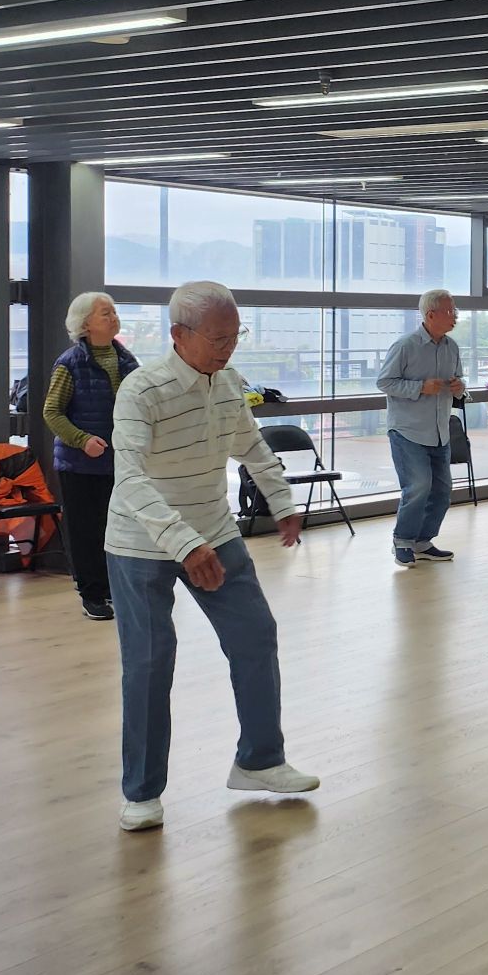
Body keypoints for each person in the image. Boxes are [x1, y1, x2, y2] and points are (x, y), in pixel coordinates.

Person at [104, 281, 317, 833]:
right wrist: (183, 543)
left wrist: (282, 502)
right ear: (178, 334)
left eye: (235, 336)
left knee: (255, 636)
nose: (229, 347)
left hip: (214, 532)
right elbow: (129, 478)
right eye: (218, 338)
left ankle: (259, 760)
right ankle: (142, 792)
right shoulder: (141, 390)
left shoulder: (227, 382)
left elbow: (252, 447)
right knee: (150, 663)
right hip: (141, 542)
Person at [42, 291, 139, 621]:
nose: (113, 317)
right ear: (85, 324)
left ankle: (112, 587)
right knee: (85, 530)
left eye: (114, 312)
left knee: (116, 527)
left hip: (118, 461)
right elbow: (52, 412)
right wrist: (82, 440)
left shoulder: (127, 361)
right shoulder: (69, 364)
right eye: (105, 313)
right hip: (79, 464)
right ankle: (91, 594)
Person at [375, 289, 464, 567]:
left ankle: (423, 542)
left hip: (439, 431)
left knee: (442, 491)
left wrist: (460, 387)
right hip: (408, 431)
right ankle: (402, 541)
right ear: (431, 315)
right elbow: (384, 382)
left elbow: (459, 381)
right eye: (450, 311)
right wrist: (420, 387)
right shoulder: (405, 345)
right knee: (418, 487)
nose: (455, 316)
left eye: (455, 310)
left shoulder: (452, 347)